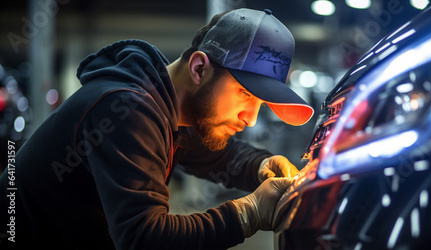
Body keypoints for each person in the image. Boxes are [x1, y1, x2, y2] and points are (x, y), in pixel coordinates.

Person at [0, 8, 314, 249]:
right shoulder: (126, 109)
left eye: (259, 104)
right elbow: (144, 239)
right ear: (199, 68)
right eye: (245, 94)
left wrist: (260, 165)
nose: (251, 119)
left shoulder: (164, 105)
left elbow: (213, 153)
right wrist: (250, 212)